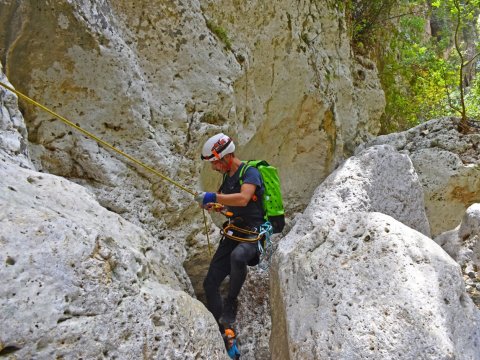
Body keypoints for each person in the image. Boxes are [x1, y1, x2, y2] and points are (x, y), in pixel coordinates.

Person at [195, 133, 265, 329]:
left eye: (216, 162)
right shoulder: (227, 178)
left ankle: (231, 302)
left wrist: (213, 196)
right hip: (236, 230)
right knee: (210, 283)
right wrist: (216, 207)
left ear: (226, 157)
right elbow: (231, 209)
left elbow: (243, 199)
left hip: (255, 232)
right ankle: (223, 332)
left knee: (238, 256)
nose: (214, 167)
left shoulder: (250, 172)